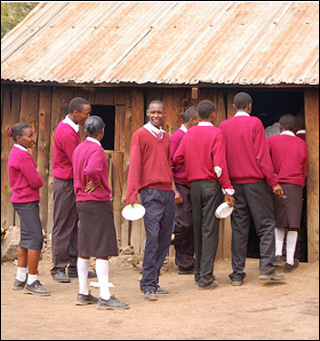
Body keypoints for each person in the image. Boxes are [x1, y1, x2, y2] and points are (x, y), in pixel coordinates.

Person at [219, 92, 284, 286]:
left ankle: (237, 274)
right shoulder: (255, 123)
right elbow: (262, 156)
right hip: (255, 183)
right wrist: (273, 182)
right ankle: (266, 268)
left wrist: (226, 187)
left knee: (239, 228)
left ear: (233, 107)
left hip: (234, 185)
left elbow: (221, 158)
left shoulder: (224, 126)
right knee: (265, 225)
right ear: (249, 106)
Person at [174, 100, 235, 289]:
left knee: (198, 229)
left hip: (194, 187)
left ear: (198, 116)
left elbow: (177, 157)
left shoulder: (189, 133)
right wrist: (228, 189)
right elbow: (219, 165)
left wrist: (193, 163)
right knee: (210, 231)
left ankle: (199, 273)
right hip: (210, 186)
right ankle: (206, 277)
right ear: (214, 115)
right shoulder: (217, 133)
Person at [126, 100, 180, 301]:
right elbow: (135, 166)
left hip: (167, 192)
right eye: (153, 112)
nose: (156, 115)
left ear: (164, 114)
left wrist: (174, 190)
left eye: (160, 112)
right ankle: (148, 284)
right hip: (150, 193)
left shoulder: (165, 136)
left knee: (165, 239)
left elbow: (167, 165)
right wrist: (132, 195)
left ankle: (153, 281)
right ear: (147, 113)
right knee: (153, 237)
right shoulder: (140, 135)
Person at [72, 116, 129, 309]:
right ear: (102, 131)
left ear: (86, 130)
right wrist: (96, 181)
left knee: (85, 248)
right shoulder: (96, 149)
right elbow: (94, 170)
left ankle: (83, 292)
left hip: (81, 201)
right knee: (102, 249)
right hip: (96, 201)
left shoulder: (79, 148)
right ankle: (105, 296)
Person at [50, 97, 95, 283]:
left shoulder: (73, 129)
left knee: (76, 225)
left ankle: (75, 265)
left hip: (72, 181)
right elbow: (77, 160)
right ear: (76, 113)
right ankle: (58, 267)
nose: (88, 116)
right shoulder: (66, 132)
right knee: (63, 225)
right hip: (66, 183)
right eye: (86, 113)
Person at [8, 123, 50, 296]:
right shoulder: (23, 156)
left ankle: (20, 277)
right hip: (27, 200)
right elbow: (35, 180)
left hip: (20, 200)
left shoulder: (15, 152)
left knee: (25, 238)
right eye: (30, 136)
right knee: (35, 239)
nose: (33, 139)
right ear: (19, 138)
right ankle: (32, 280)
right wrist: (41, 182)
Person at [267, 114, 308, 272]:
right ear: (295, 128)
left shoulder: (271, 141)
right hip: (295, 186)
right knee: (293, 224)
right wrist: (301, 182)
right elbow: (304, 168)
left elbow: (264, 160)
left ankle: (277, 254)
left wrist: (272, 178)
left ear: (280, 127)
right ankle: (290, 261)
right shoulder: (302, 144)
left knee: (279, 220)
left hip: (277, 184)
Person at [170, 106, 199, 275]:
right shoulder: (177, 138)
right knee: (183, 223)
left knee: (192, 225)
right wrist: (174, 190)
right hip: (180, 185)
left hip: (192, 185)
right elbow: (169, 166)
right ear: (191, 121)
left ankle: (186, 263)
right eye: (198, 121)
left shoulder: (192, 135)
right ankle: (162, 241)